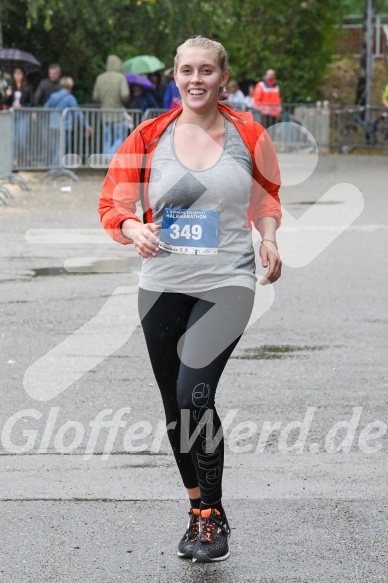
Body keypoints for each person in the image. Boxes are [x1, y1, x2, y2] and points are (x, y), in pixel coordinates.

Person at [98, 36, 282, 563]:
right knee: (173, 404)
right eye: (186, 70)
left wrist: (268, 237)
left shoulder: (249, 133)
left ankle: (214, 516)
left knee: (193, 389)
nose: (196, 79)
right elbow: (115, 198)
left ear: (224, 77)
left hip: (227, 280)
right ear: (174, 78)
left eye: (206, 70)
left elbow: (266, 193)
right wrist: (132, 227)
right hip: (162, 282)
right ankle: (198, 511)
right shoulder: (149, 134)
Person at [44, 77, 92, 165]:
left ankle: (53, 167)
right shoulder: (70, 98)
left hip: (53, 125)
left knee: (55, 148)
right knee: (61, 148)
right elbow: (78, 113)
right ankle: (56, 168)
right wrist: (87, 125)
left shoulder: (53, 96)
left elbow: (45, 108)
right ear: (70, 86)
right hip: (64, 126)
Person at [92, 55, 129, 158]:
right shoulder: (120, 77)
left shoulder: (100, 78)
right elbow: (124, 94)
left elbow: (95, 97)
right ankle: (112, 156)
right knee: (120, 137)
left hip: (105, 113)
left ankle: (106, 158)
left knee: (106, 138)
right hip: (118, 113)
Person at [5, 67, 34, 164]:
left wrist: (22, 106)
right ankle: (14, 159)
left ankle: (28, 156)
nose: (17, 75)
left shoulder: (28, 88)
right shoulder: (10, 87)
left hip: (23, 115)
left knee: (22, 138)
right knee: (13, 137)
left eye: (19, 73)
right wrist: (7, 96)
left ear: (22, 75)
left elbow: (31, 102)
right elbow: (6, 103)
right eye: (15, 73)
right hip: (13, 114)